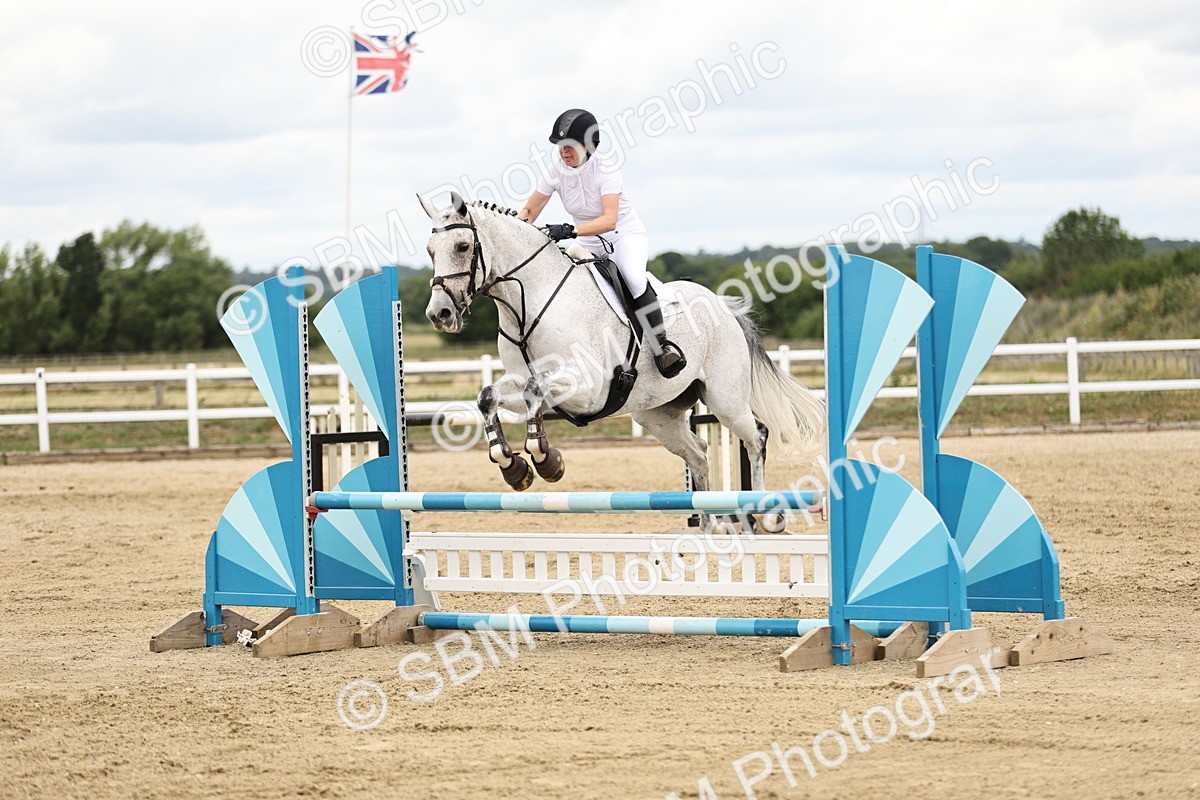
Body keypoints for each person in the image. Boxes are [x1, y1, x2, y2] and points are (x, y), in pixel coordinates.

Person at [518, 108, 686, 378]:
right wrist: (512, 231)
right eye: (560, 145)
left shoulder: (606, 170)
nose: (564, 151)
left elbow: (609, 220)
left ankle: (662, 347)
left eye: (570, 145)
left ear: (588, 145)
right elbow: (529, 212)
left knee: (632, 277)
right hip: (586, 239)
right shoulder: (554, 172)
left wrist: (570, 228)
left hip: (623, 235)